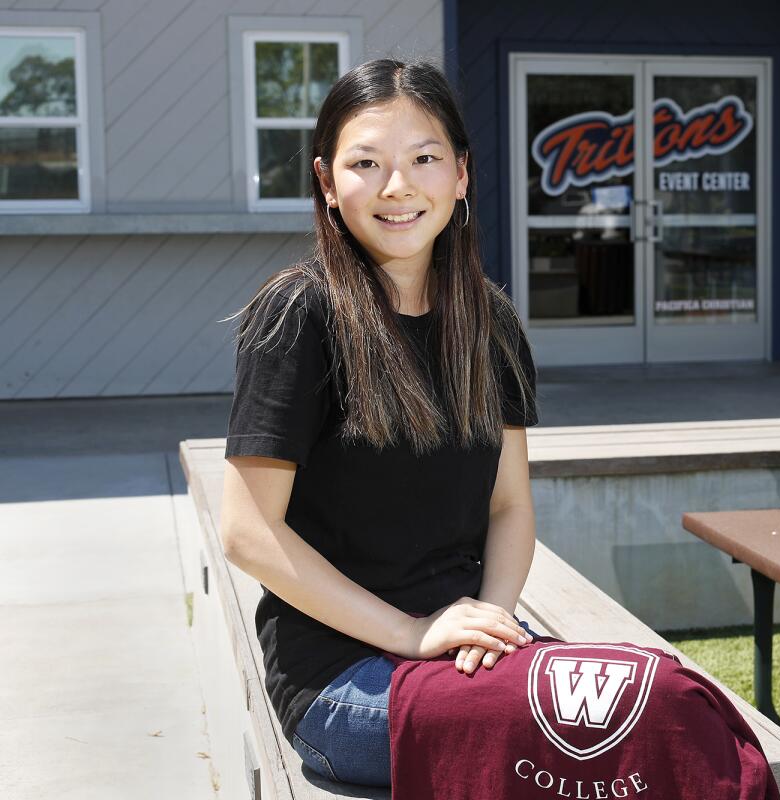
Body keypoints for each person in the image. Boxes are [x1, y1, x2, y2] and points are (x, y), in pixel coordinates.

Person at [219, 57, 539, 787]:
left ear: (461, 174)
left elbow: (511, 505)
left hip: (460, 653)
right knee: (573, 737)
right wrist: (411, 634)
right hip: (340, 678)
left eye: (424, 158)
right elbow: (246, 530)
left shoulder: (490, 323)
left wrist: (489, 623)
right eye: (367, 162)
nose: (398, 186)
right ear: (328, 183)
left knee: (629, 706)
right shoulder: (299, 314)